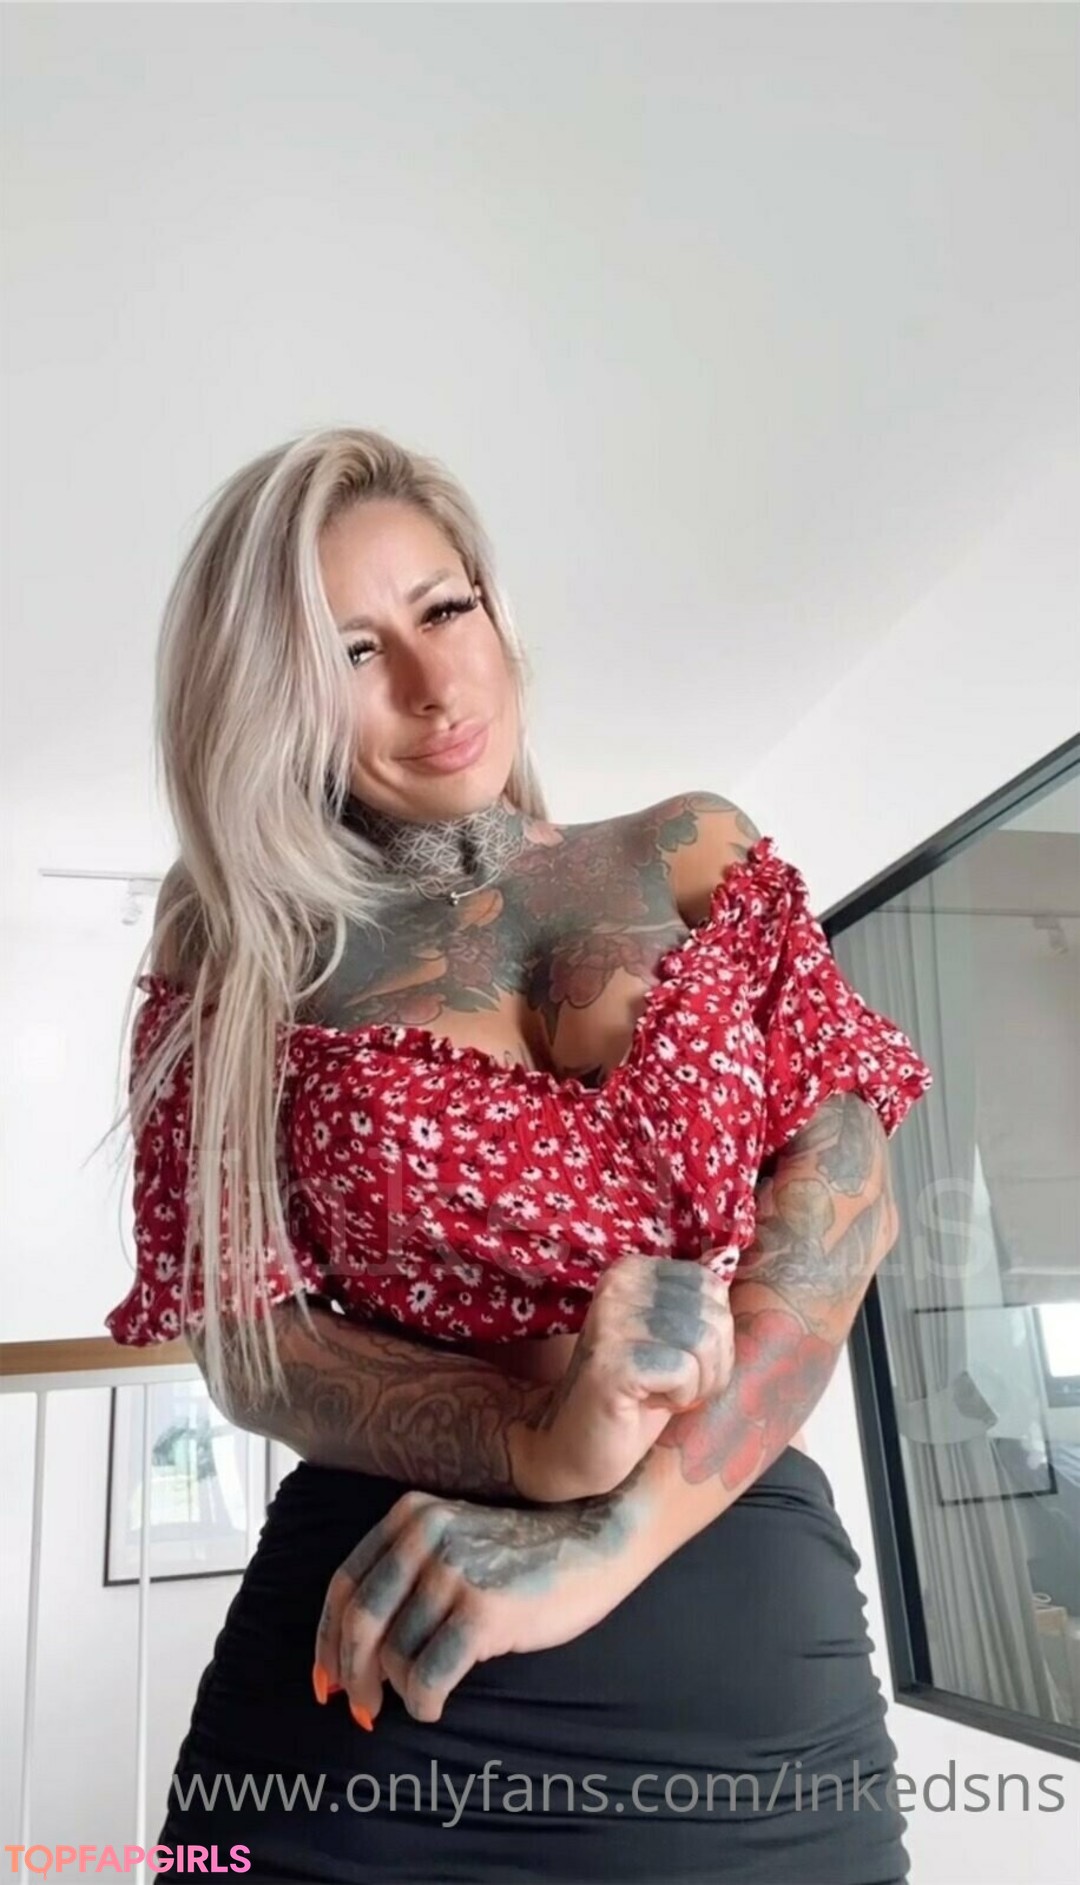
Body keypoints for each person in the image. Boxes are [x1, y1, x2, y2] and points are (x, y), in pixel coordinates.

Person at [105, 426, 933, 1883]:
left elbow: (845, 1205)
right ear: (274, 701)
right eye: (352, 653)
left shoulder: (692, 848)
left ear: (494, 606)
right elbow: (249, 1342)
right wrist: (540, 1444)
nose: (435, 685)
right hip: (384, 1658)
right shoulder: (237, 943)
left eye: (446, 607)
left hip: (731, 1632)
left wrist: (607, 1536)